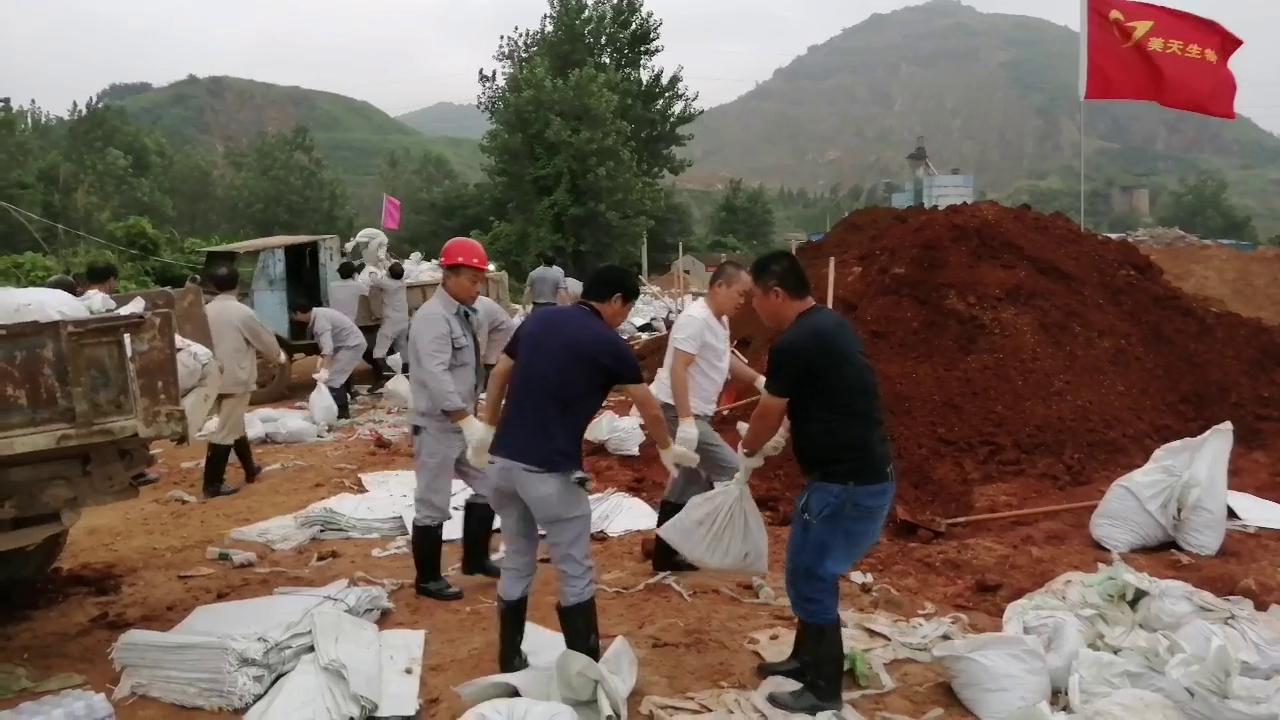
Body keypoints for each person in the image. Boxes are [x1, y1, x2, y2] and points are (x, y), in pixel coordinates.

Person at [475, 265, 700, 671]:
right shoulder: (609, 343)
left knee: (518, 558)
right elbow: (648, 406)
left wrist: (487, 429)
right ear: (615, 301)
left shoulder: (538, 321)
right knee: (575, 569)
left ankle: (510, 657)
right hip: (550, 472)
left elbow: (500, 374)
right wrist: (667, 449)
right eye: (626, 309)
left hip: (503, 464)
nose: (624, 319)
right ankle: (585, 670)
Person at [736, 251, 895, 714]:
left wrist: (747, 450)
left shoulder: (796, 342)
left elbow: (769, 410)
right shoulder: (830, 324)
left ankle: (823, 689)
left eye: (756, 297)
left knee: (814, 576)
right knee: (803, 571)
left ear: (775, 294)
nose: (754, 308)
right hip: (848, 477)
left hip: (846, 485)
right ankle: (804, 660)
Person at [647, 261, 770, 572]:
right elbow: (678, 369)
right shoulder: (695, 320)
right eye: (739, 293)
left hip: (696, 412)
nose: (743, 301)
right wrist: (687, 421)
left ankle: (666, 553)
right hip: (678, 411)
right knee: (731, 471)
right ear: (719, 286)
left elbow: (723, 358)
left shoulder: (719, 320)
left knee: (689, 478)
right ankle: (723, 545)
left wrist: (757, 380)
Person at [405, 236, 505, 602]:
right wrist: (465, 420)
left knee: (490, 482)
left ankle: (475, 559)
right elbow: (436, 375)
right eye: (472, 280)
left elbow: (506, 327)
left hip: (463, 423)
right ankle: (428, 579)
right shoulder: (433, 318)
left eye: (481, 281)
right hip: (437, 425)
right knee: (433, 502)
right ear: (448, 276)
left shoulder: (470, 311)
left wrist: (494, 364)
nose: (478, 288)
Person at [204, 264, 285, 498]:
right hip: (236, 378)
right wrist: (277, 357)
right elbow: (266, 342)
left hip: (211, 377)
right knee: (225, 431)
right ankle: (212, 484)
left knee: (235, 424)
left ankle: (250, 468)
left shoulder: (205, 311)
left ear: (213, 286)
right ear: (238, 284)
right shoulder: (242, 312)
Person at [288, 301, 367, 420]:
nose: (294, 318)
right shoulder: (318, 314)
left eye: (293, 315)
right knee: (339, 372)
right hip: (344, 345)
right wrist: (322, 363)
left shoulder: (320, 322)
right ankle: (349, 396)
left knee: (333, 378)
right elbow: (325, 348)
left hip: (352, 345)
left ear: (298, 313)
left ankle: (342, 413)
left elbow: (328, 348)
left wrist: (324, 370)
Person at [369, 261, 410, 391]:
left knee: (379, 352)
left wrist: (372, 269)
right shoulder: (402, 283)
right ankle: (406, 377)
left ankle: (382, 378)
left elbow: (373, 279)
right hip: (404, 321)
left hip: (390, 323)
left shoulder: (387, 284)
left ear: (389, 274)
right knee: (402, 350)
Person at [472, 294, 516, 386]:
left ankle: (487, 387)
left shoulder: (478, 311)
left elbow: (480, 347)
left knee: (491, 363)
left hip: (502, 331)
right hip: (492, 329)